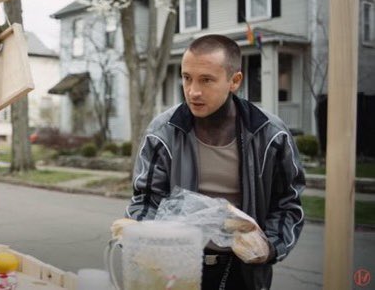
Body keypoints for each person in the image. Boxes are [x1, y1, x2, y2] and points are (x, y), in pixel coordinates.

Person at [125, 35, 305, 289]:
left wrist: (270, 246)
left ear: (235, 81)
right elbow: (146, 200)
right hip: (175, 269)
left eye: (206, 80)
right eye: (187, 78)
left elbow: (288, 203)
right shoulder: (163, 131)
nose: (193, 91)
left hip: (244, 273)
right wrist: (140, 239)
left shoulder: (270, 133)